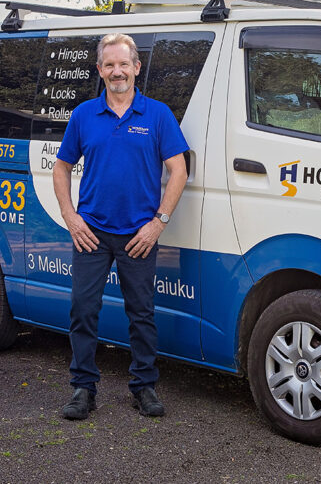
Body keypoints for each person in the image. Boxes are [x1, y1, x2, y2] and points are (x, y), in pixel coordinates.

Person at [52, 33, 188, 419]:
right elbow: (61, 168)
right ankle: (82, 389)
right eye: (109, 65)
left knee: (141, 313)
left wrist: (158, 223)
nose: (117, 72)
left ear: (136, 68)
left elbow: (179, 170)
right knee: (82, 310)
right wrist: (70, 217)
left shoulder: (158, 115)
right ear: (100, 70)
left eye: (123, 64)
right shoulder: (83, 115)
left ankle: (144, 387)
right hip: (91, 231)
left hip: (138, 236)